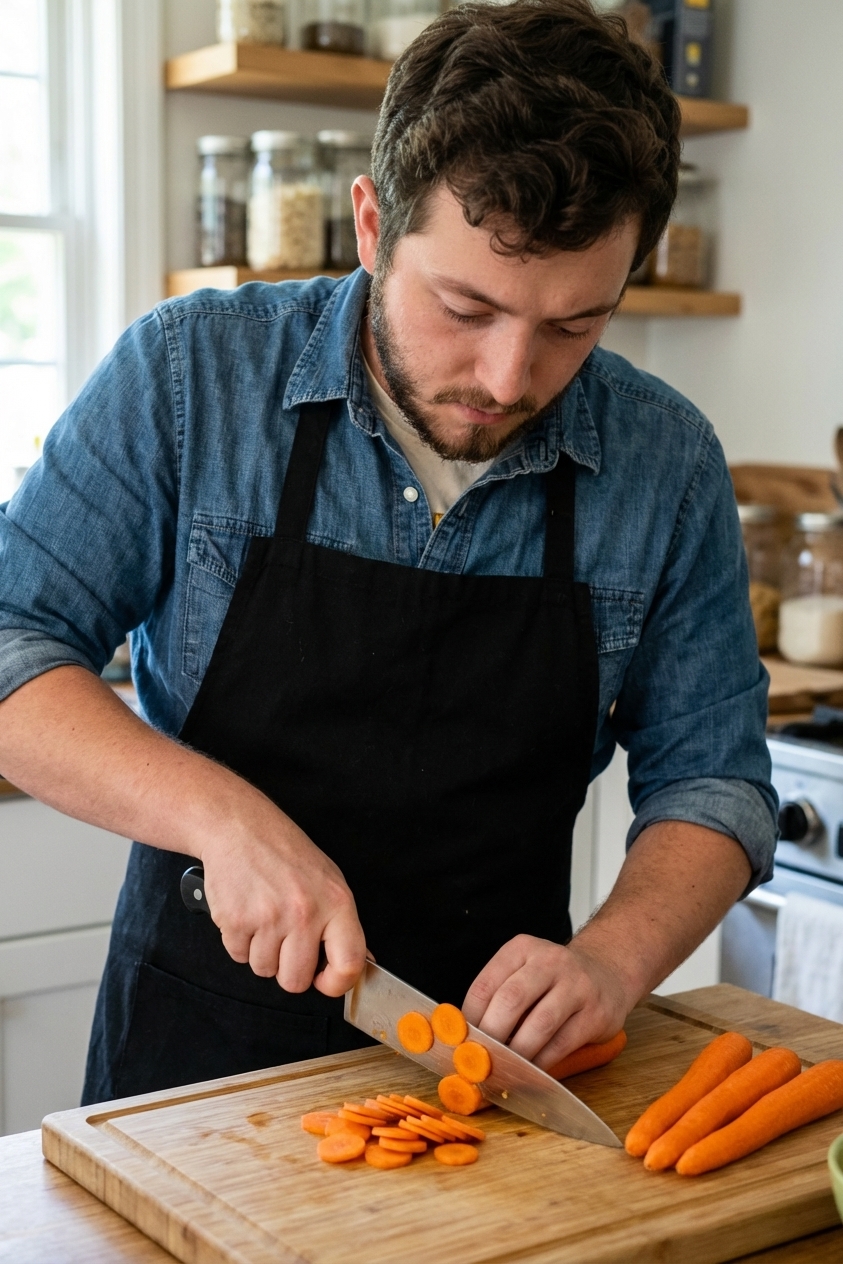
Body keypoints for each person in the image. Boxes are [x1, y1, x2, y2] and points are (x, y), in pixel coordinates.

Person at [0, 0, 775, 1106]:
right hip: (193, 1067)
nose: (509, 379)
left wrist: (612, 960)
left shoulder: (669, 463)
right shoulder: (190, 377)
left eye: (574, 326)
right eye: (466, 306)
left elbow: (715, 776)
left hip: (500, 1075)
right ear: (370, 225)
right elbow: (10, 640)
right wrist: (220, 817)